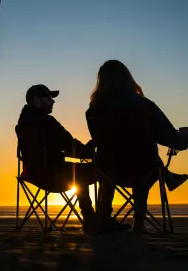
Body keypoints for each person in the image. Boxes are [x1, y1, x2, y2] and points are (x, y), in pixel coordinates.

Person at [85, 60, 188, 233]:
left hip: (108, 171)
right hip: (142, 169)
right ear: (128, 79)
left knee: (111, 159)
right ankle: (139, 222)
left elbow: (99, 140)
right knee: (145, 162)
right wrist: (185, 140)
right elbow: (166, 136)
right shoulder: (146, 106)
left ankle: (104, 218)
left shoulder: (93, 110)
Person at [17, 84, 130, 233]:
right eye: (49, 98)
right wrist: (92, 148)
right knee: (105, 170)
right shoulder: (47, 122)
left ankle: (91, 218)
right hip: (55, 175)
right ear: (37, 100)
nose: (53, 102)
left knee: (79, 171)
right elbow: (71, 146)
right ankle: (98, 219)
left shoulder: (22, 124)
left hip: (35, 176)